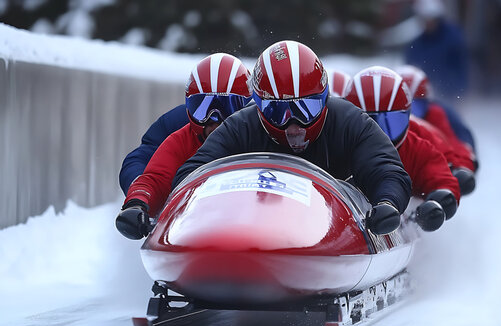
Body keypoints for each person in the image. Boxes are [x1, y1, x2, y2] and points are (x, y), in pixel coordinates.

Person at [165, 40, 412, 238]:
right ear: (259, 107)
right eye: (277, 111)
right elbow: (195, 172)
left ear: (324, 99)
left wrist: (387, 202)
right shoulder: (241, 126)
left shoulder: (350, 123)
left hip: (336, 223)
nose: (293, 125)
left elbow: (385, 169)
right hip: (253, 222)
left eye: (305, 108)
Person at [115, 53, 252, 239]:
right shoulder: (179, 132)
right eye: (202, 109)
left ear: (247, 108)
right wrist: (138, 203)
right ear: (190, 108)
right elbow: (153, 174)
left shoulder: (262, 130)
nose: (215, 121)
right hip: (195, 218)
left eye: (228, 109)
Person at [344, 65, 460, 231]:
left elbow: (443, 181)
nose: (380, 134)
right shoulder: (336, 141)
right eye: (368, 123)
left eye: (390, 123)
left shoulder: (417, 149)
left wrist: (437, 203)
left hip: (395, 221)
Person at [396, 64, 476, 194]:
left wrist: (461, 167)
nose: (411, 115)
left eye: (414, 107)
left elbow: (453, 145)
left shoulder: (437, 115)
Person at [404, 0, 468, 100]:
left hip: (450, 93)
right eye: (425, 20)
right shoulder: (417, 44)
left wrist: (461, 92)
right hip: (426, 95)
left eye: (431, 20)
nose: (428, 24)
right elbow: (410, 68)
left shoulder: (452, 39)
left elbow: (461, 67)